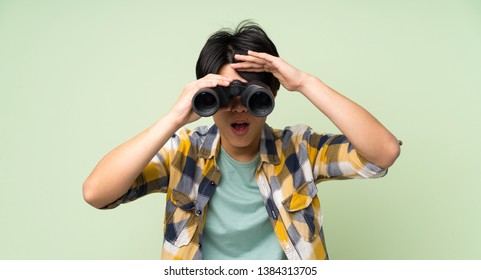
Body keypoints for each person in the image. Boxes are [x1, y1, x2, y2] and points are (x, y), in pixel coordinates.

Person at [82, 21, 401, 260]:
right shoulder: (183, 152)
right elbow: (96, 193)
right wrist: (174, 118)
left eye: (252, 94)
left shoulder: (299, 149)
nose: (237, 106)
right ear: (205, 96)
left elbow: (383, 152)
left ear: (271, 94)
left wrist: (303, 82)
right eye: (224, 93)